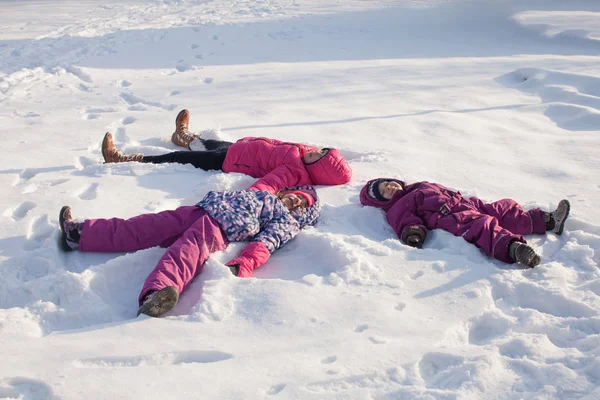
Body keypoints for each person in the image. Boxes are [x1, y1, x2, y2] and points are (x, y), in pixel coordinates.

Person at [58, 185, 321, 317]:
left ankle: (157, 294)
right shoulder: (263, 193)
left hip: (221, 226)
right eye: (298, 194)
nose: (296, 200)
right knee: (142, 226)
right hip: (199, 210)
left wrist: (245, 263)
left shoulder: (286, 221)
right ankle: (79, 234)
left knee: (185, 253)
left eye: (302, 203)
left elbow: (266, 244)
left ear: (301, 213)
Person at [101, 109, 352, 194]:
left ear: (317, 170)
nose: (314, 152)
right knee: (205, 143)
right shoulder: (305, 152)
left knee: (179, 158)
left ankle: (124, 159)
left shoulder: (294, 172)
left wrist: (256, 195)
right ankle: (184, 136)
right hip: (238, 149)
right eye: (321, 150)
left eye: (318, 157)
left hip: (228, 163)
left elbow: (268, 185)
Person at [360, 178, 571, 268]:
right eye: (384, 192)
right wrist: (413, 232)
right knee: (483, 225)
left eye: (387, 183)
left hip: (466, 204)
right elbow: (406, 221)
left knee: (504, 209)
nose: (389, 187)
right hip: (450, 217)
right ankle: (514, 249)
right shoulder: (398, 207)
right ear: (383, 202)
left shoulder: (418, 185)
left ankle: (550, 222)